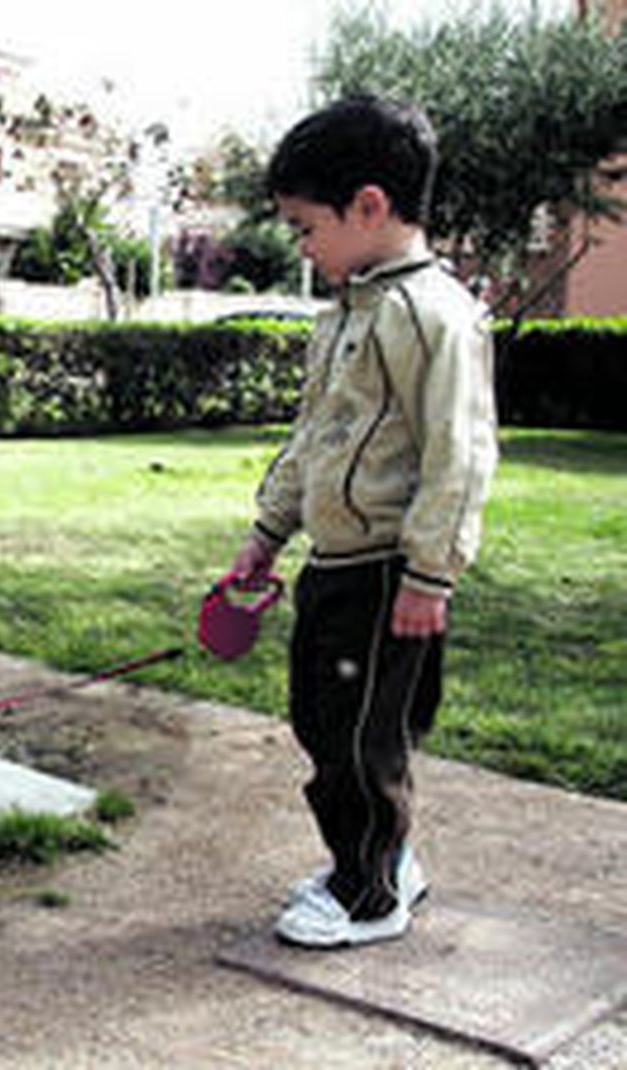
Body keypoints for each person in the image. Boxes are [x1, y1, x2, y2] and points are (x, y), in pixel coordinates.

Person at [229, 94, 499, 948]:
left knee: (359, 740)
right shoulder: (347, 314)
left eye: (308, 228)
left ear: (370, 206)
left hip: (390, 571)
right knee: (326, 724)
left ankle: (368, 895)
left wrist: (430, 574)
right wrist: (267, 534)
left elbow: (460, 453)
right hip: (335, 566)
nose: (304, 249)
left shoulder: (433, 313)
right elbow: (313, 437)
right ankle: (383, 862)